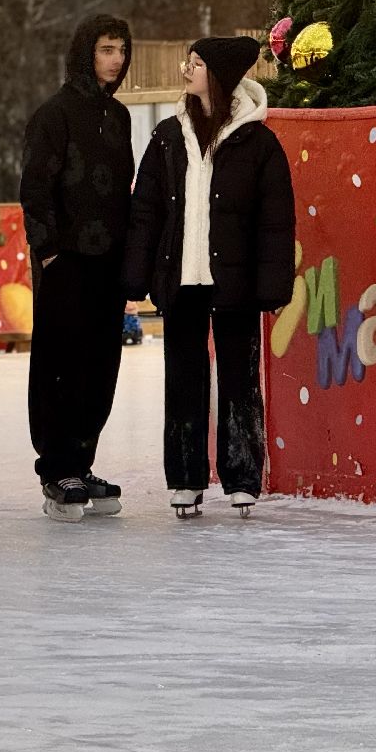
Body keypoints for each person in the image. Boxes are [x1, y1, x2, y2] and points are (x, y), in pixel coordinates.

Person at [123, 36, 295, 517]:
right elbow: (146, 210)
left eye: (195, 64)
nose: (186, 70)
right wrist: (136, 277)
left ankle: (242, 479)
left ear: (217, 74)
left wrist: (273, 285)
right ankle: (184, 478)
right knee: (183, 379)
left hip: (234, 283)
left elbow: (275, 220)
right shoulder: (167, 136)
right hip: (180, 281)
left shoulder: (258, 141)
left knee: (240, 380)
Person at [19, 13, 134, 523]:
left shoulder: (120, 116)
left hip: (109, 264)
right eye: (107, 49)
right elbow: (34, 190)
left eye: (121, 50)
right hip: (65, 264)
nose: (116, 59)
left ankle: (81, 463)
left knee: (99, 367)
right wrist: (49, 253)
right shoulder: (53, 115)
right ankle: (57, 466)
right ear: (86, 52)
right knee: (61, 365)